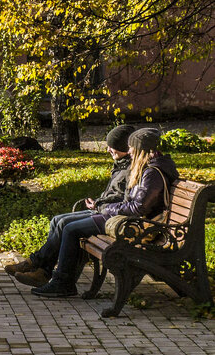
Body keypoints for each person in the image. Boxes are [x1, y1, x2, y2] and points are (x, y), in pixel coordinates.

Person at [29, 126, 179, 299]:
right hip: (127, 220)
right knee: (68, 225)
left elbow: (138, 208)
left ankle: (63, 283)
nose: (128, 150)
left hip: (133, 224)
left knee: (71, 229)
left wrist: (108, 209)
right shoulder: (149, 168)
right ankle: (58, 278)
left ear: (139, 149)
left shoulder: (152, 172)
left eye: (131, 147)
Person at [6, 124, 134, 287]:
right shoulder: (122, 165)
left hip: (112, 217)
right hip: (104, 211)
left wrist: (99, 204)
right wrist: (98, 202)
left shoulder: (130, 168)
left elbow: (124, 200)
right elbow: (115, 194)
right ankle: (42, 271)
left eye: (113, 146)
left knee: (67, 226)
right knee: (57, 220)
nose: (108, 149)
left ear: (124, 147)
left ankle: (48, 273)